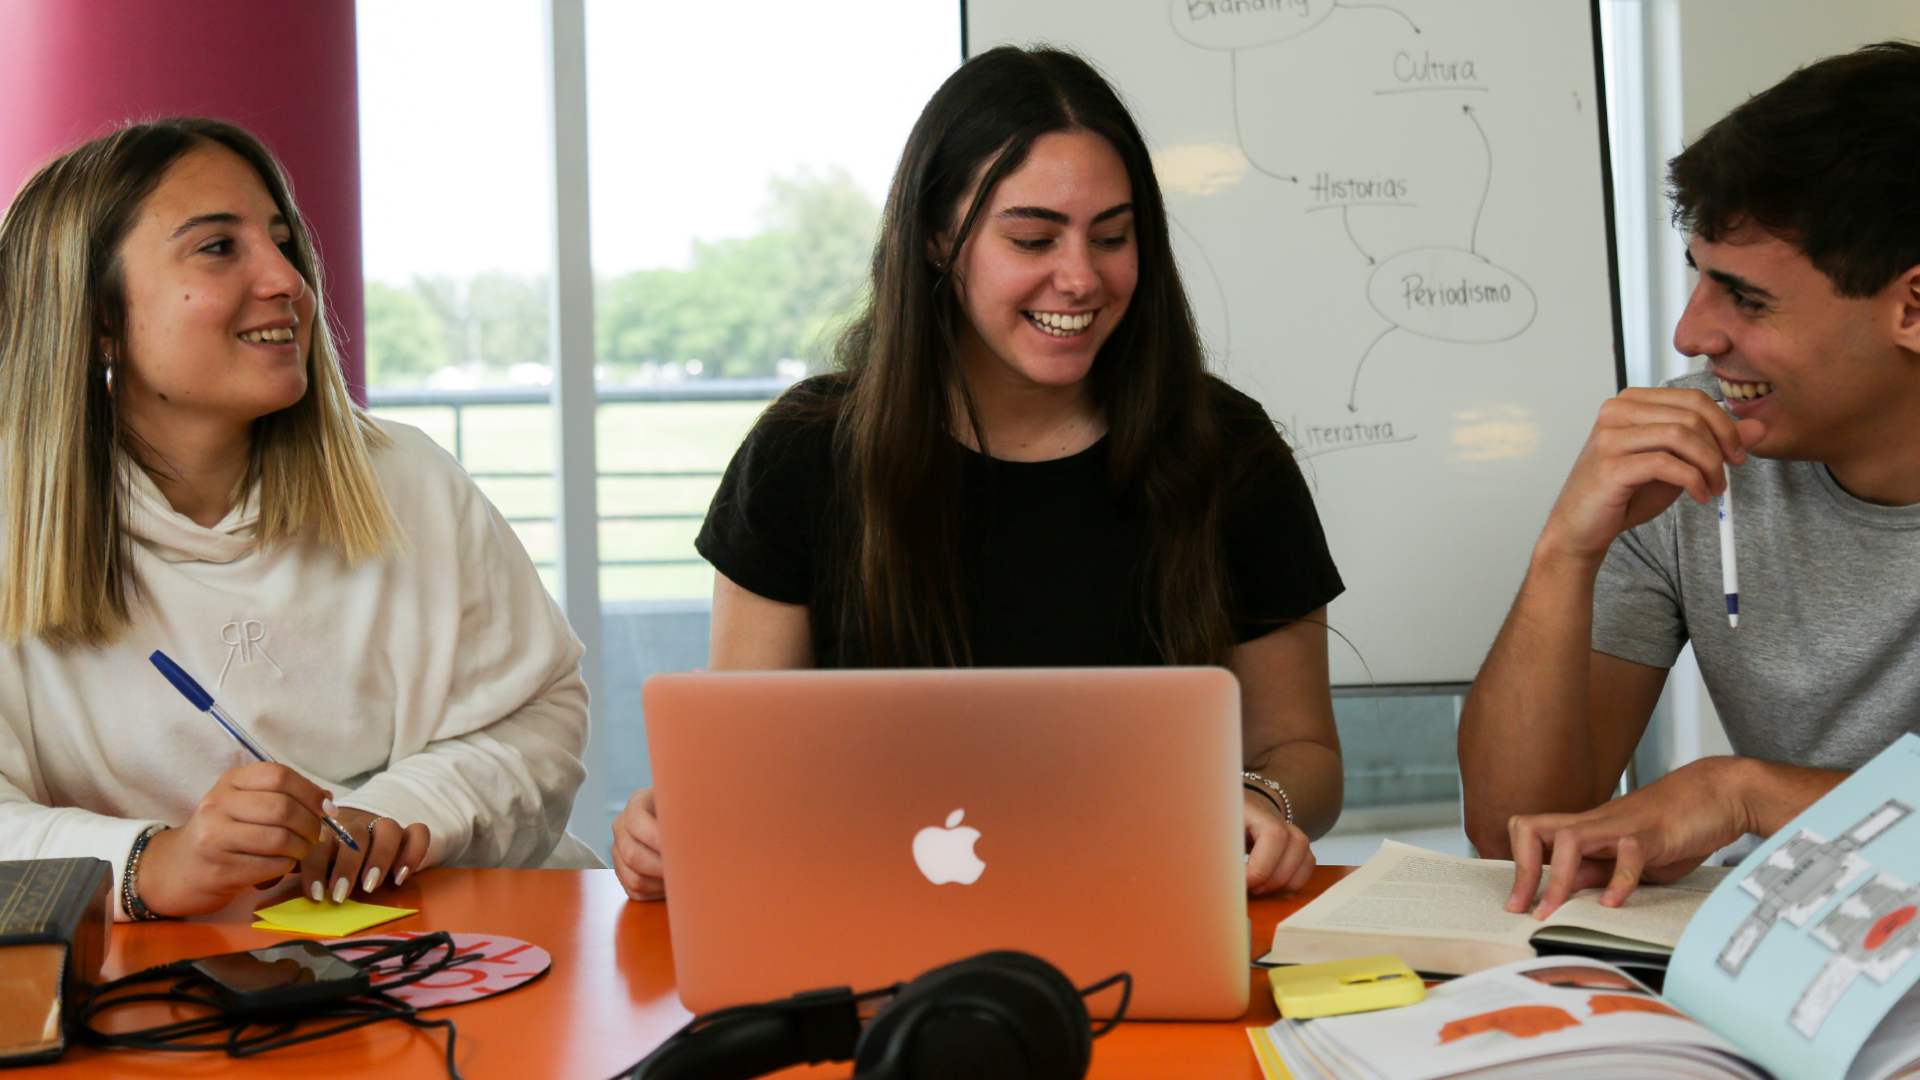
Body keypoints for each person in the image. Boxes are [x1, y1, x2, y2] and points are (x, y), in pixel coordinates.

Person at [612, 46, 1346, 903]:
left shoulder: (1229, 449)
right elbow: (742, 767)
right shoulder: (804, 453)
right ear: (936, 236)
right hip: (859, 924)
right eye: (1032, 237)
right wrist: (674, 827)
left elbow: (1307, 755)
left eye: (1113, 237)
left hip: (1149, 913)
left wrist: (1262, 800)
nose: (1081, 277)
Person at [0, 118, 594, 921]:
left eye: (282, 243)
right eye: (218, 248)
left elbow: (535, 717)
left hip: (454, 946)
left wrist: (395, 814)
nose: (288, 280)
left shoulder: (409, 478)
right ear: (97, 315)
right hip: (165, 992)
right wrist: (147, 862)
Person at [1458, 43, 1920, 918]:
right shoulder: (1693, 445)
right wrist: (1568, 549)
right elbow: (1516, 831)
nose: (1691, 333)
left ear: (1911, 307)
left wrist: (1745, 794)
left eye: (1746, 298)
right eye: (1698, 278)